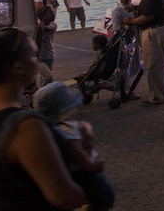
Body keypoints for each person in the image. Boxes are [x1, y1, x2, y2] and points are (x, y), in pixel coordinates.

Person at [0, 28, 86, 210]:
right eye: (34, 55)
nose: (37, 61)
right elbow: (64, 197)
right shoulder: (25, 125)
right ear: (18, 66)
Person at [32, 82, 115, 211]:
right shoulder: (64, 131)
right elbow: (76, 154)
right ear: (64, 110)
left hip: (71, 174)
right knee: (105, 196)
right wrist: (91, 166)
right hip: (82, 172)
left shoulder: (52, 129)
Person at [122, 0, 164, 105]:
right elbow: (154, 10)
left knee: (153, 66)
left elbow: (148, 17)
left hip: (153, 33)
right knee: (162, 64)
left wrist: (130, 21)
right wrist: (136, 9)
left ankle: (157, 97)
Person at [34, 5, 58, 88]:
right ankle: (42, 94)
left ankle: (43, 93)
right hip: (39, 58)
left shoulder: (53, 25)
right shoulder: (36, 26)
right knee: (48, 77)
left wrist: (43, 25)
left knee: (44, 78)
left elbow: (49, 28)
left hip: (49, 55)